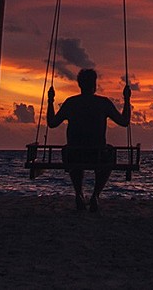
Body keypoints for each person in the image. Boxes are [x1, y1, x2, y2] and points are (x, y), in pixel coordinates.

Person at [48, 68, 131, 212]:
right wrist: (127, 99)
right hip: (97, 155)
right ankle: (95, 195)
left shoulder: (70, 103)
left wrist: (50, 101)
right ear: (95, 84)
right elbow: (124, 122)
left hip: (74, 155)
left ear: (79, 85)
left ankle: (79, 193)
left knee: (71, 151)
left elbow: (52, 123)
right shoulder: (103, 103)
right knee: (110, 152)